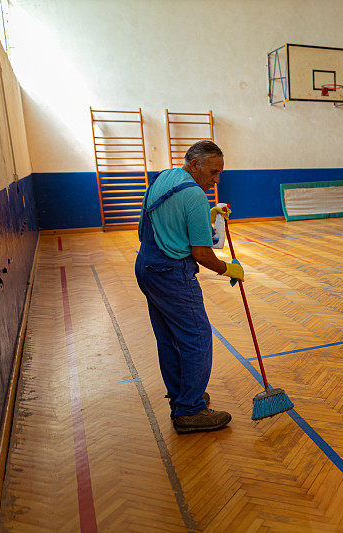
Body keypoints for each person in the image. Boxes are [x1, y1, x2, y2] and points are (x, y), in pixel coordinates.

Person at [135, 140, 243, 432]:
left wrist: (207, 217)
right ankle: (190, 410)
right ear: (195, 165)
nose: (216, 180)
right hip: (172, 273)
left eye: (220, 173)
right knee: (196, 337)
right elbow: (202, 254)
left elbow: (166, 218)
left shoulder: (167, 176)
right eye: (213, 172)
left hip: (146, 265)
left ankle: (182, 398)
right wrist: (228, 268)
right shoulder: (195, 195)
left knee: (169, 338)